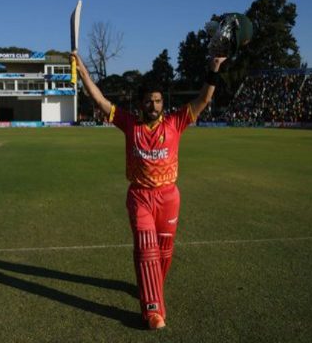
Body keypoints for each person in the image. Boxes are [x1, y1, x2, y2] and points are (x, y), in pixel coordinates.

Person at [72, 51, 227, 330]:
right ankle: (153, 309)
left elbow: (204, 99)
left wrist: (213, 68)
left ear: (162, 103)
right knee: (146, 248)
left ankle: (150, 286)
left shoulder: (175, 122)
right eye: (149, 101)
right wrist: (82, 70)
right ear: (141, 103)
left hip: (169, 197)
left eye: (157, 101)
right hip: (140, 196)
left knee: (164, 252)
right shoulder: (129, 123)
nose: (153, 105)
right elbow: (99, 100)